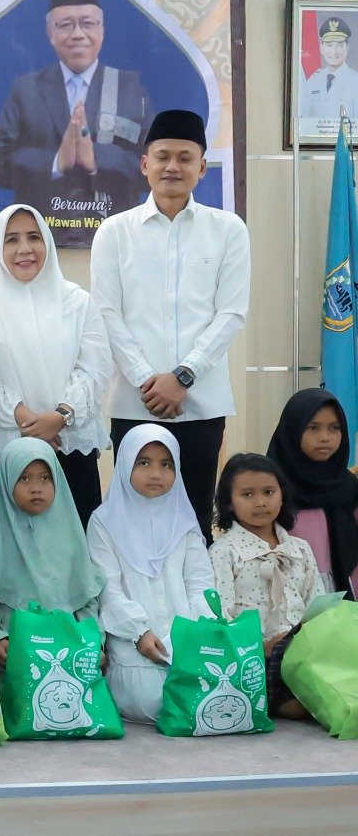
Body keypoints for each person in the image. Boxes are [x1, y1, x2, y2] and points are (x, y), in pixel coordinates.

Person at [92, 108, 250, 538]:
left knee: (195, 520)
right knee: (132, 520)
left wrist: (183, 376)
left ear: (202, 167)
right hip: (134, 404)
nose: (173, 167)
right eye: (163, 157)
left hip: (201, 404)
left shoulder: (228, 230)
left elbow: (231, 313)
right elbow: (107, 314)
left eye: (185, 158)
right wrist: (148, 381)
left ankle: (194, 586)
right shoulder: (114, 232)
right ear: (145, 164)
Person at [0, 0, 153, 247]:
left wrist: (96, 157)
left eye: (87, 23)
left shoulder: (130, 89)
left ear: (102, 30)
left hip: (116, 241)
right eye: (65, 25)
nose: (77, 34)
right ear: (50, 33)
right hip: (40, 242)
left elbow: (152, 168)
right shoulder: (26, 90)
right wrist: (56, 161)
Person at [0, 204, 110, 526]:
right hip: (3, 451)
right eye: (11, 239)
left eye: (34, 237)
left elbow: (95, 369)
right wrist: (25, 420)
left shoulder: (78, 303)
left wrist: (60, 416)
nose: (25, 248)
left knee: (74, 542)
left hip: (68, 446)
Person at [86, 425, 214, 724]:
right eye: (144, 462)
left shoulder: (185, 520)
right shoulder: (104, 521)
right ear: (125, 464)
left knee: (200, 696)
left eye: (166, 464)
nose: (156, 473)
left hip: (185, 638)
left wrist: (198, 633)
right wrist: (139, 632)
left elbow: (200, 584)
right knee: (148, 702)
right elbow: (108, 590)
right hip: (133, 641)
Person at [0, 437, 102, 670]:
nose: (36, 488)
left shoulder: (70, 532)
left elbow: (86, 595)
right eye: (24, 478)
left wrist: (93, 642)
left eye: (45, 478)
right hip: (15, 651)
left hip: (68, 649)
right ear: (6, 480)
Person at [210, 453, 320, 720]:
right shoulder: (224, 552)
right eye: (247, 494)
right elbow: (221, 616)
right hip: (255, 657)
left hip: (303, 650)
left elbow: (316, 603)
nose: (260, 502)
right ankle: (285, 699)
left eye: (268, 492)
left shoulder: (299, 549)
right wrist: (263, 646)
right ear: (229, 502)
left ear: (282, 495)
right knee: (308, 698)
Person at [266, 388, 358, 597]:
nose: (325, 437)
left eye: (334, 428)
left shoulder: (348, 486)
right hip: (286, 595)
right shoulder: (272, 486)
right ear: (293, 430)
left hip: (344, 597)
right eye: (313, 428)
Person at [299, 17, 358, 122]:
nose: (333, 51)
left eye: (339, 45)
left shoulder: (355, 81)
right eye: (329, 45)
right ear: (322, 48)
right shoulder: (313, 81)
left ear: (347, 49)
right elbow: (304, 120)